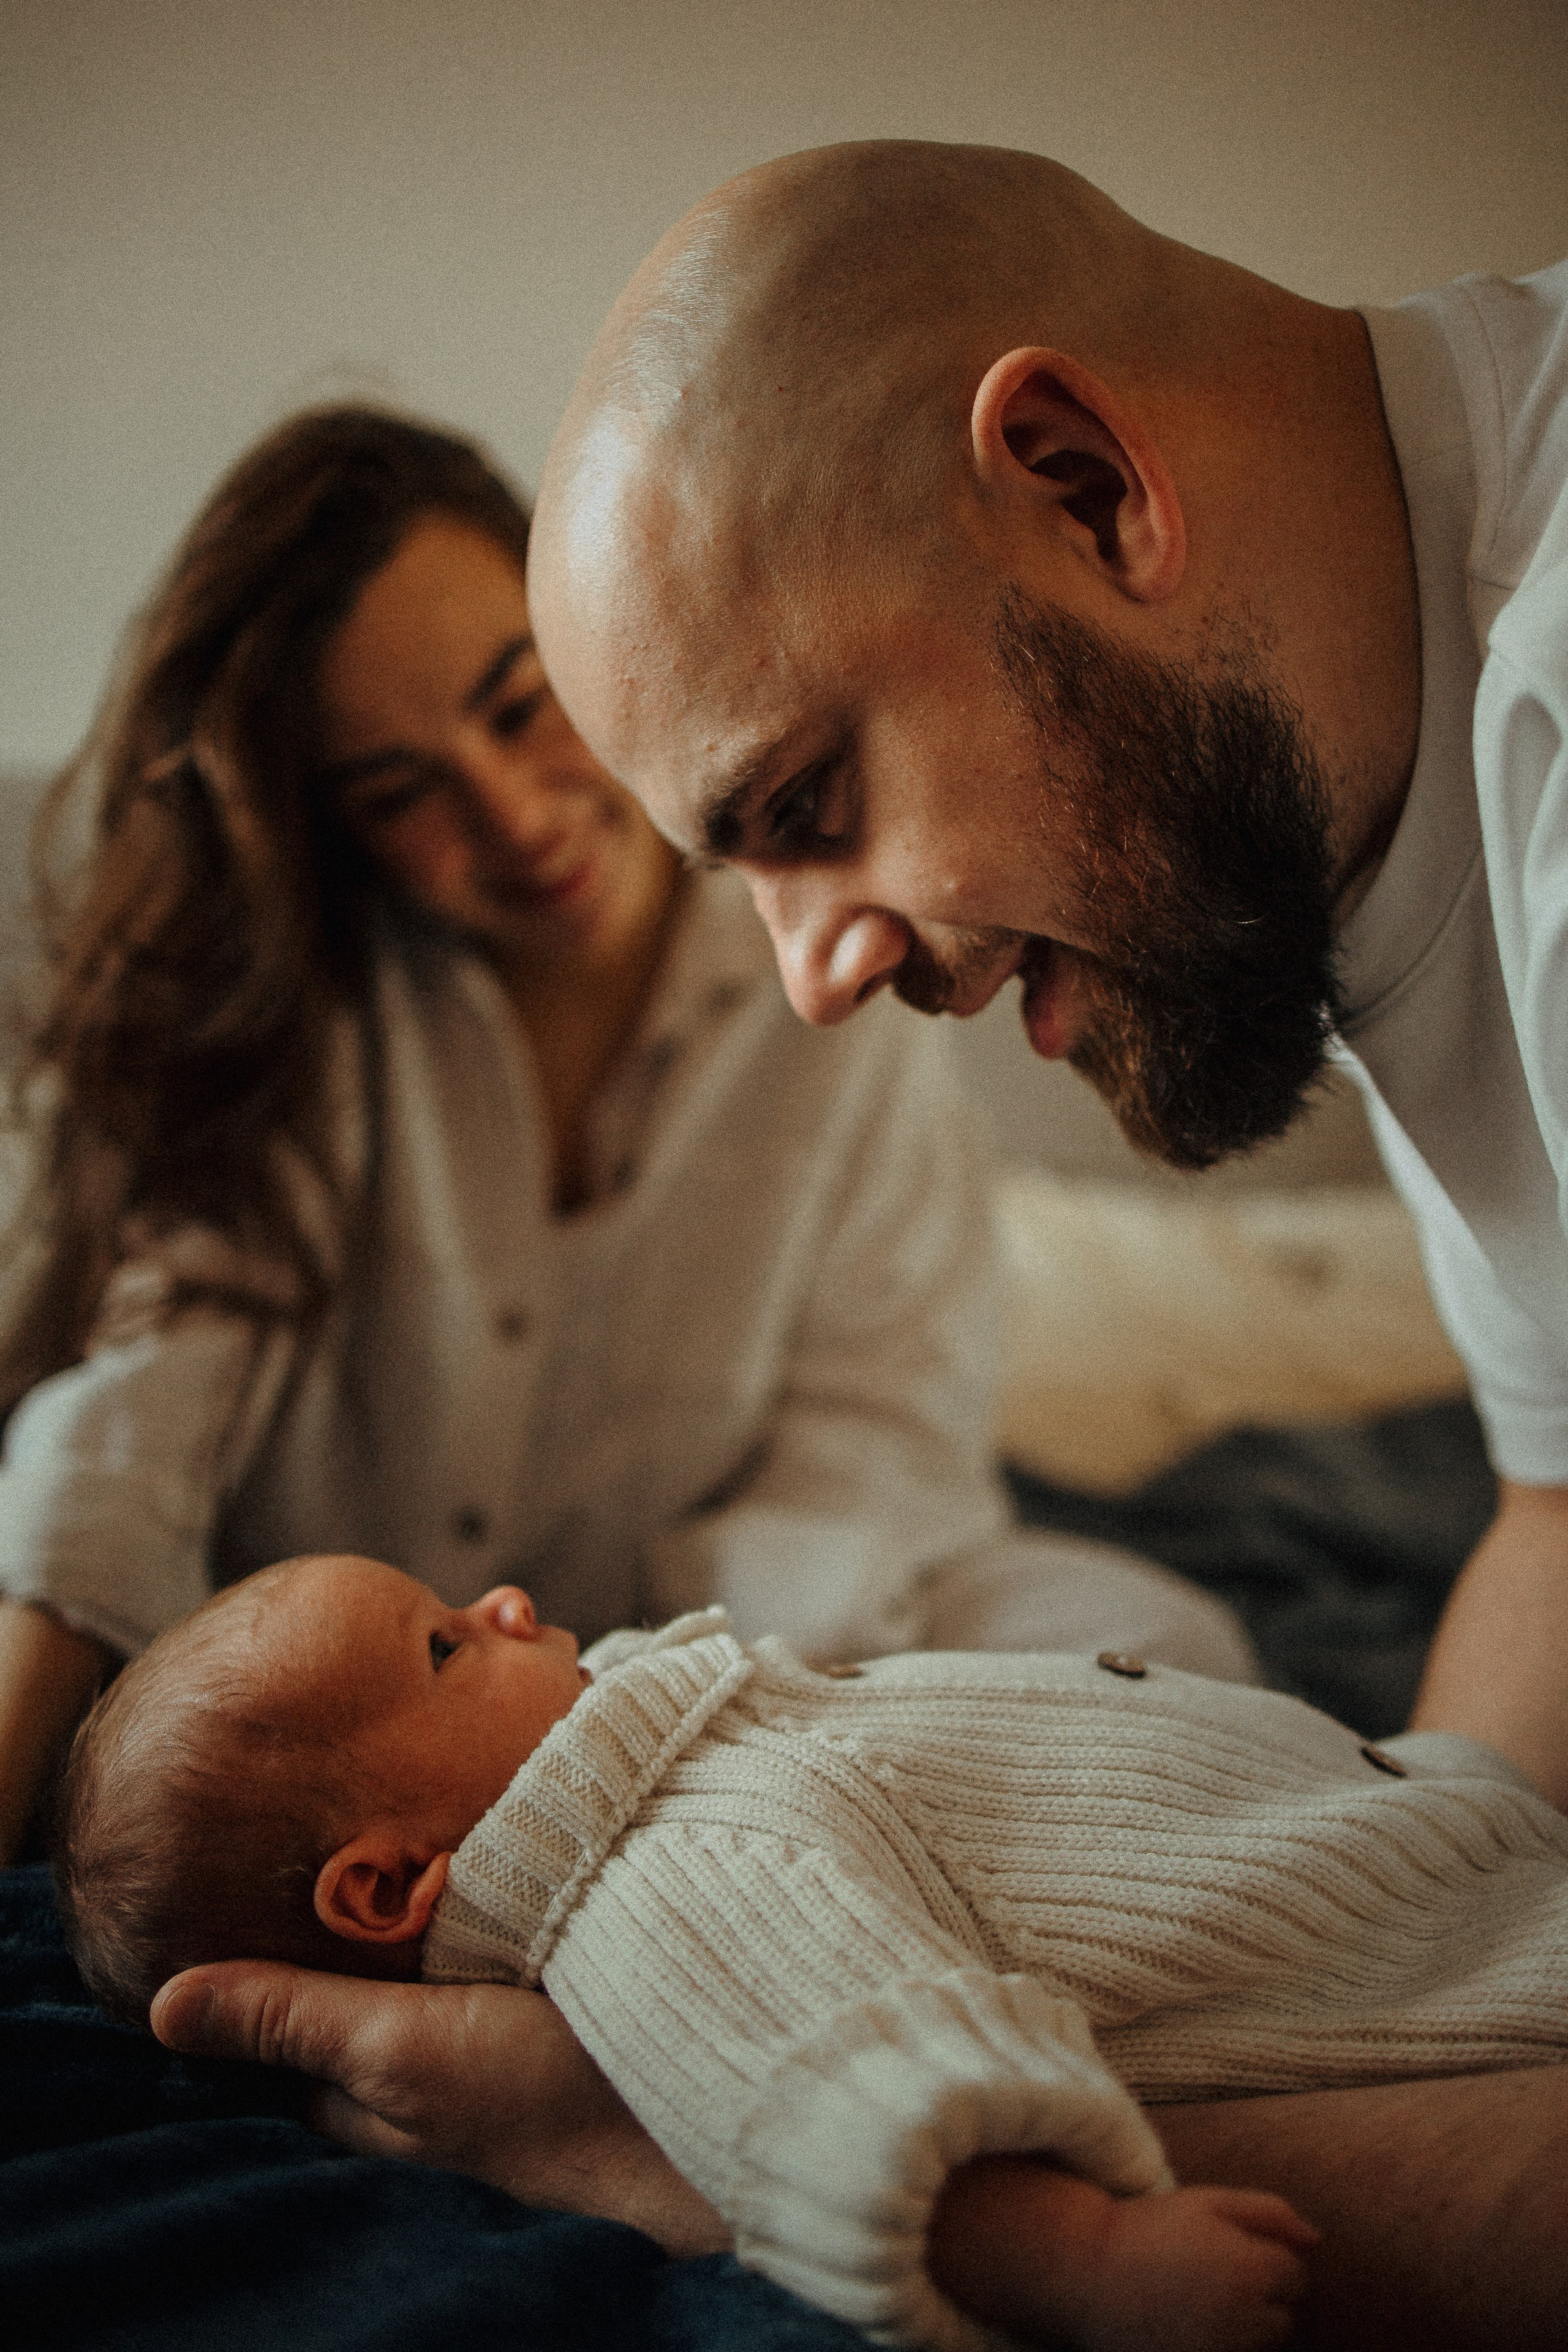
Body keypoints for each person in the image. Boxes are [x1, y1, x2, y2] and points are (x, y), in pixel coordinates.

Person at [0, 401, 1255, 1863]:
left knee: (1161, 1644)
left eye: (520, 705)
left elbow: (873, 1447)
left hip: (709, 1654)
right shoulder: (289, 1011)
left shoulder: (835, 969)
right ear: (327, 822)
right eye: (399, 790)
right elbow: (128, 1435)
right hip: (347, 1711)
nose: (511, 814)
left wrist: (620, 1712)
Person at [524, 139, 1568, 1813]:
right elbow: (1563, 1517)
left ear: (1086, 485)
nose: (817, 984)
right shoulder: (1330, 795)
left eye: (807, 807)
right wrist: (1364, 1933)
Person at [76, 1552, 1568, 2349]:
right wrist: (1082, 2260)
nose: (507, 1600)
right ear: (388, 1885)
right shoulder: (660, 1888)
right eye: (444, 1647)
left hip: (1418, 1831)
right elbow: (836, 2093)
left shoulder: (648, 1733)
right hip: (1446, 1980)